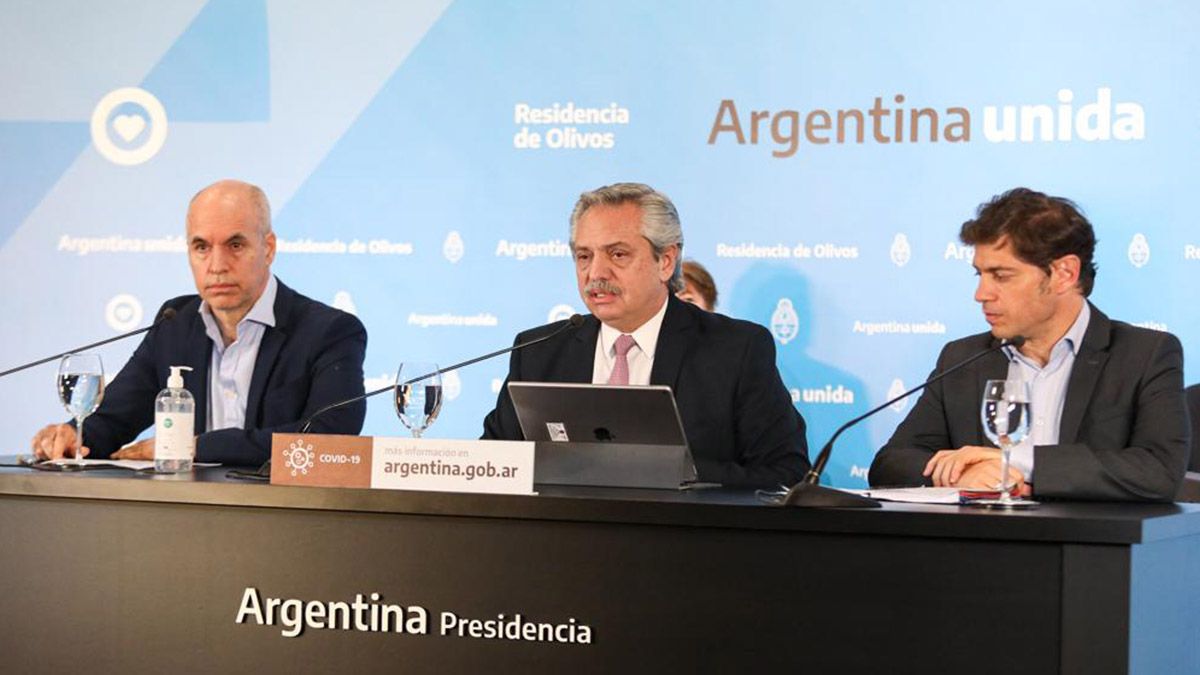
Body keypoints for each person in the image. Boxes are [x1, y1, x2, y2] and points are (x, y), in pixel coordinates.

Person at [869, 187, 1188, 502]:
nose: (981, 294)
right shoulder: (964, 358)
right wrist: (965, 474)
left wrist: (1013, 463)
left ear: (1064, 273)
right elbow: (893, 462)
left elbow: (1158, 472)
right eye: (979, 274)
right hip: (979, 546)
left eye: (1001, 276)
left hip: (1086, 548)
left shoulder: (1144, 354)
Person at [481, 182, 808, 488]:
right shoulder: (539, 352)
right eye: (584, 256)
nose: (595, 273)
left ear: (666, 261)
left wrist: (667, 472)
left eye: (617, 254)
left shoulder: (736, 350)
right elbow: (491, 468)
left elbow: (785, 474)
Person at [31, 179, 367, 466]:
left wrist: (191, 447)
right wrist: (73, 436)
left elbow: (330, 441)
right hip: (189, 522)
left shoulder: (328, 332)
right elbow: (115, 416)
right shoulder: (176, 323)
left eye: (235, 245)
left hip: (284, 522)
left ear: (268, 248)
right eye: (202, 247)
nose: (217, 265)